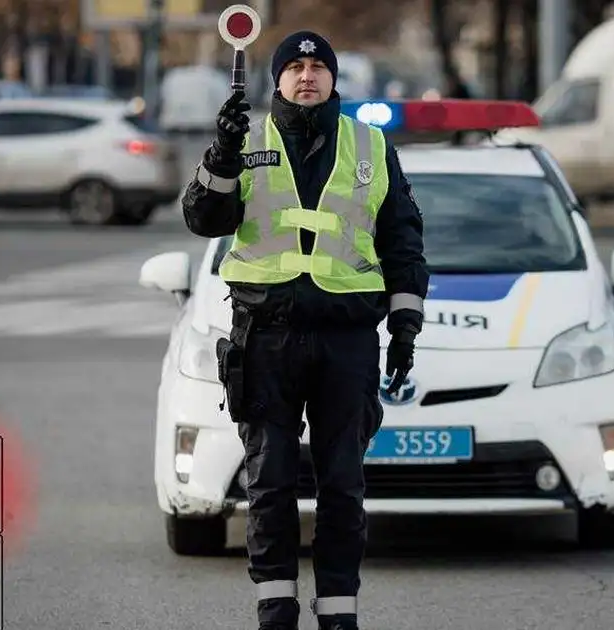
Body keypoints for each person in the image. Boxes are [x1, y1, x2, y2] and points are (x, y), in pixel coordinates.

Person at [181, 30, 429, 630]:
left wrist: (404, 324)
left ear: (334, 78)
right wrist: (219, 154)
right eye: (295, 65)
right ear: (277, 78)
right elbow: (202, 218)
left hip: (346, 340)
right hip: (265, 336)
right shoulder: (246, 140)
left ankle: (338, 610)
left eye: (319, 65)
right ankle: (276, 605)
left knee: (343, 484)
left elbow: (402, 238)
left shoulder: (369, 145)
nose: (308, 74)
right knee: (269, 484)